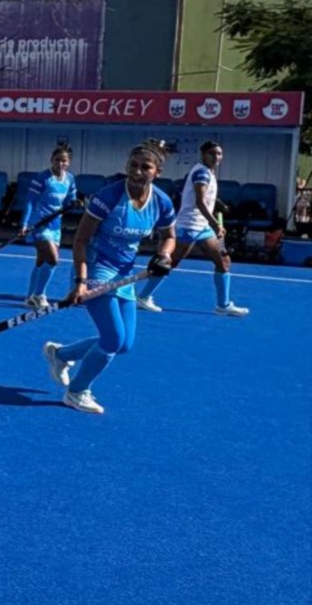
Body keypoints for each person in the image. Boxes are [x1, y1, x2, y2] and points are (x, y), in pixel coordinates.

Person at [43, 140, 178, 415]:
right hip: (96, 269)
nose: (137, 171)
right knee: (113, 339)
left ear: (157, 172)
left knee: (124, 344)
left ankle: (60, 354)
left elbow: (170, 237)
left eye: (145, 167)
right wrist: (80, 281)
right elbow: (80, 240)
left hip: (126, 272)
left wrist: (164, 256)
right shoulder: (109, 196)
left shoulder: (161, 202)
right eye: (133, 165)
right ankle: (77, 392)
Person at [136, 140, 247, 316]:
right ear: (203, 155)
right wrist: (215, 224)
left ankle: (223, 305)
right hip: (188, 226)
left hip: (202, 227)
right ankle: (143, 297)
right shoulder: (201, 173)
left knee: (223, 262)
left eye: (219, 154)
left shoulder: (207, 172)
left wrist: (216, 205)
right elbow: (199, 201)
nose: (216, 157)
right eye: (212, 154)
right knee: (168, 264)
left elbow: (204, 199)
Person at [18, 145, 79, 308]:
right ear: (51, 160)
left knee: (41, 261)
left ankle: (29, 297)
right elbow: (30, 201)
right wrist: (24, 223)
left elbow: (70, 200)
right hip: (38, 224)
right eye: (57, 160)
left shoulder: (70, 179)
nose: (60, 163)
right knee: (53, 259)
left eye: (64, 161)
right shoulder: (42, 178)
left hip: (55, 225)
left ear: (69, 163)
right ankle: (39, 295)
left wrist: (75, 203)